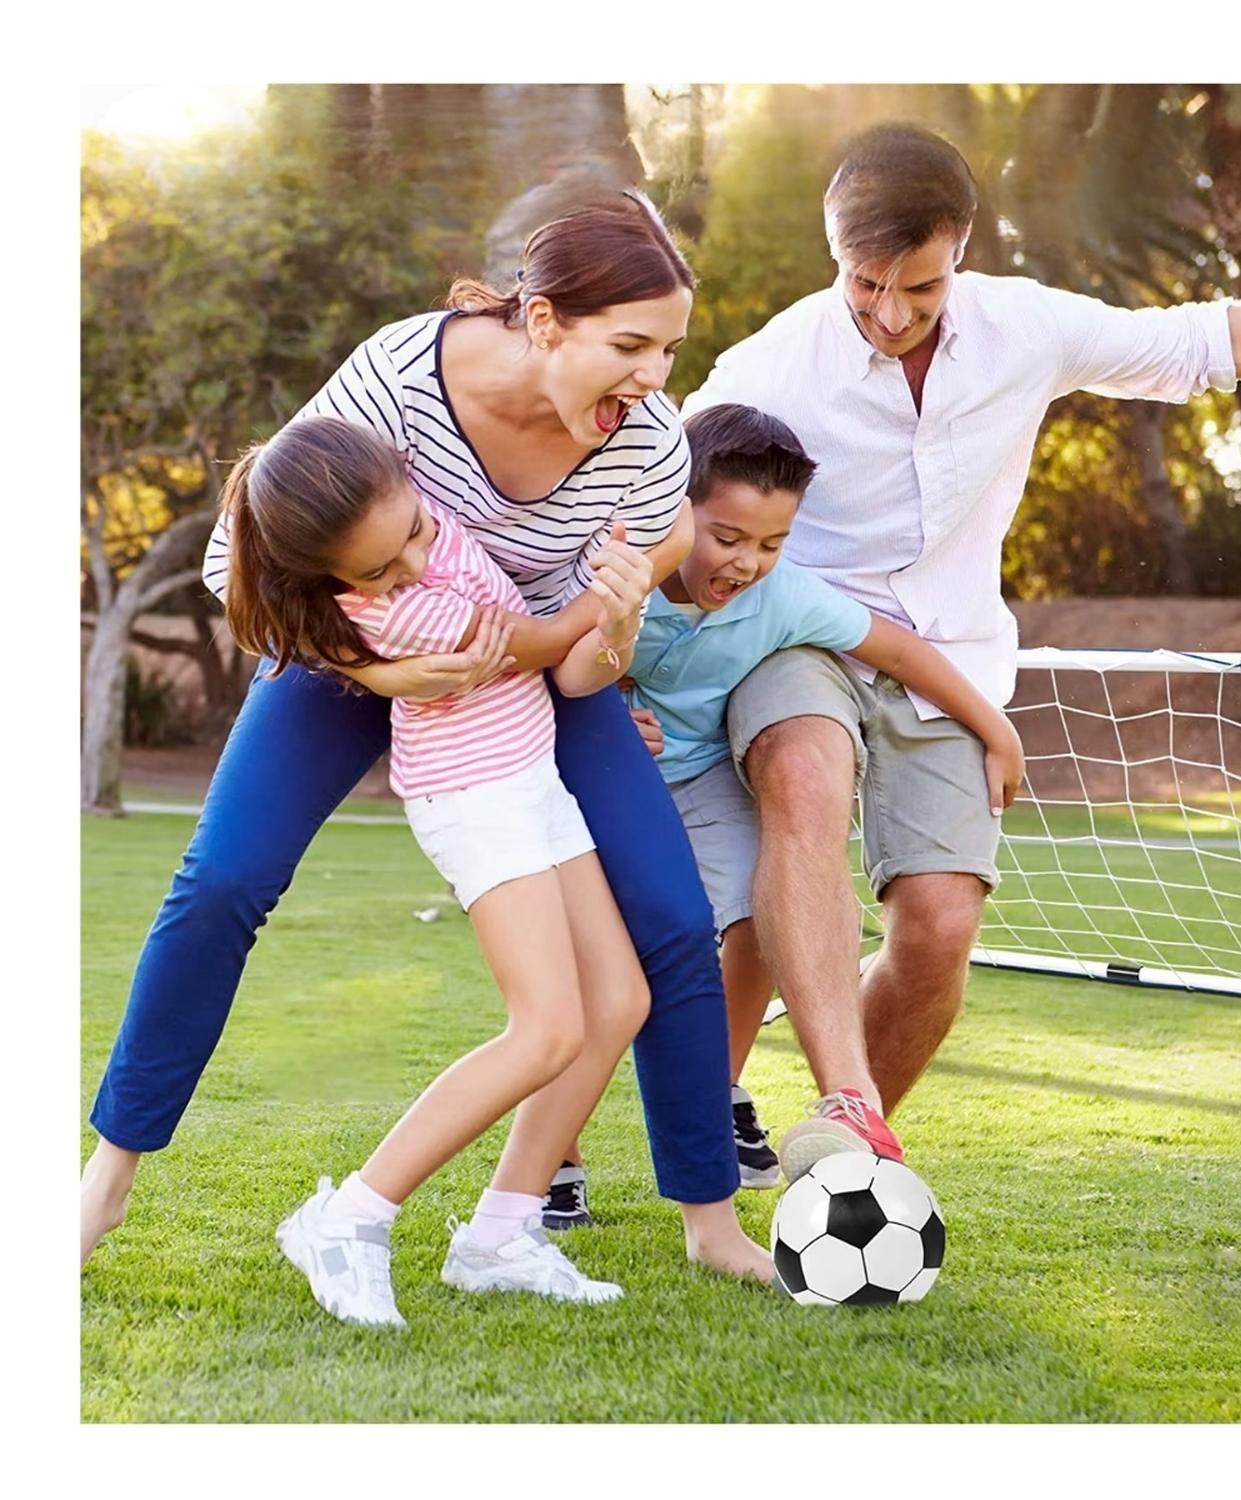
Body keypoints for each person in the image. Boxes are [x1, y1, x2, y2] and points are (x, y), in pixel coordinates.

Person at [680, 122, 1241, 1178]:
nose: (891, 315)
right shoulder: (769, 366)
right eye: (864, 286)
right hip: (808, 640)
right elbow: (650, 485)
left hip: (955, 659)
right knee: (802, 773)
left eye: (921, 289)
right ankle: (831, 1095)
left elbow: (1214, 340)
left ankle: (838, 1147)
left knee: (936, 930)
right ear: (832, 253)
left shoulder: (1024, 328)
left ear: (963, 250)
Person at [82, 192, 771, 1283]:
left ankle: (698, 1221)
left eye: (672, 349)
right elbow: (236, 569)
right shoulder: (401, 377)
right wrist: (388, 672)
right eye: (630, 346)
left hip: (529, 659)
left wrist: (608, 633)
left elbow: (602, 619)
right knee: (222, 881)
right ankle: (106, 1182)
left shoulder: (641, 443)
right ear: (544, 322)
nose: (655, 380)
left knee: (672, 921)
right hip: (344, 652)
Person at [218, 416, 646, 1325]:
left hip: (533, 779)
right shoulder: (403, 609)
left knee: (619, 1002)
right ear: (334, 580)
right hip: (475, 797)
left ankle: (500, 1233)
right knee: (545, 1030)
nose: (411, 563)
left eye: (412, 533)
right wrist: (620, 580)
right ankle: (350, 1215)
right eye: (374, 572)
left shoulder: (426, 511)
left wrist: (618, 586)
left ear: (412, 483)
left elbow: (533, 600)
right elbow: (532, 643)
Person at [561, 402, 1025, 1193]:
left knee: (760, 919)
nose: (746, 562)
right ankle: (553, 1156)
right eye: (729, 538)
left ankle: (714, 1093)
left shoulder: (782, 599)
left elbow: (899, 649)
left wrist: (994, 727)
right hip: (604, 783)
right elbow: (547, 670)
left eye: (772, 544)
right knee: (599, 972)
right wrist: (602, 719)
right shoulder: (610, 571)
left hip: (702, 779)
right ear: (676, 510)